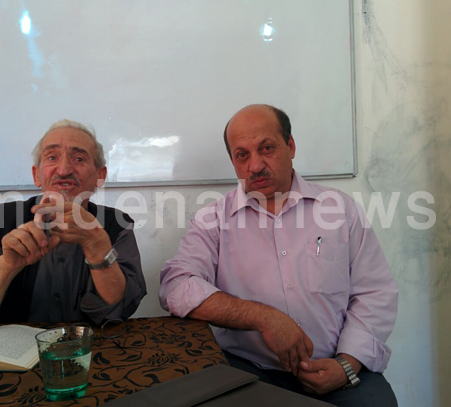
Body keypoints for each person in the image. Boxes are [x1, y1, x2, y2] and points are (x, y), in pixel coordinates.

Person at [159, 105, 398, 406]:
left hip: (337, 365)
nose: (255, 165)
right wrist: (264, 318)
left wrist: (347, 364)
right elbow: (176, 286)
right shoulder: (213, 220)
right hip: (249, 370)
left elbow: (375, 292)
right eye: (242, 155)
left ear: (290, 146)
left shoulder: (340, 210)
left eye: (266, 148)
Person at [0, 119, 147, 326]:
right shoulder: (1, 220)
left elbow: (121, 309)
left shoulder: (117, 224)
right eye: (52, 157)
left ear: (100, 175)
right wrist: (5, 267)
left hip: (89, 344)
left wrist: (96, 245)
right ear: (37, 175)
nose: (64, 170)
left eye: (79, 159)